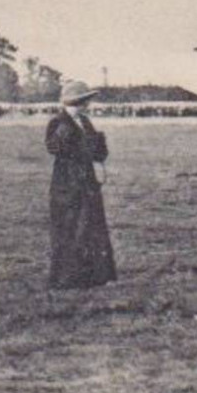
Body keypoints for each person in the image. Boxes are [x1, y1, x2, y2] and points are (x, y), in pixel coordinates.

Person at [45, 80, 117, 290]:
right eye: (84, 101)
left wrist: (99, 144)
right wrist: (66, 133)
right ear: (76, 102)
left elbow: (98, 152)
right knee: (70, 228)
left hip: (87, 182)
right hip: (67, 184)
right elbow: (53, 148)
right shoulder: (58, 122)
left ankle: (95, 276)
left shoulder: (85, 121)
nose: (87, 105)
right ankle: (67, 279)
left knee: (91, 227)